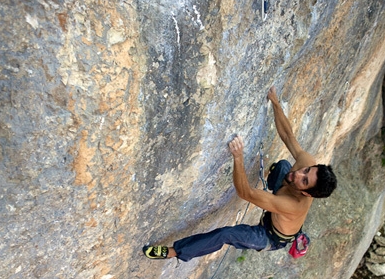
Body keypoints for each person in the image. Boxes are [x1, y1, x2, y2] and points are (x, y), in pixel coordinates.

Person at [143, 86, 337, 261]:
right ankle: (271, 190)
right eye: (305, 170)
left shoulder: (292, 205)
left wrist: (238, 158)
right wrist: (276, 104)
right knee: (284, 167)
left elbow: (245, 193)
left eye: (304, 181)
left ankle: (175, 252)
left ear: (307, 194)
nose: (299, 174)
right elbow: (288, 136)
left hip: (270, 235)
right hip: (280, 203)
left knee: (226, 234)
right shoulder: (307, 167)